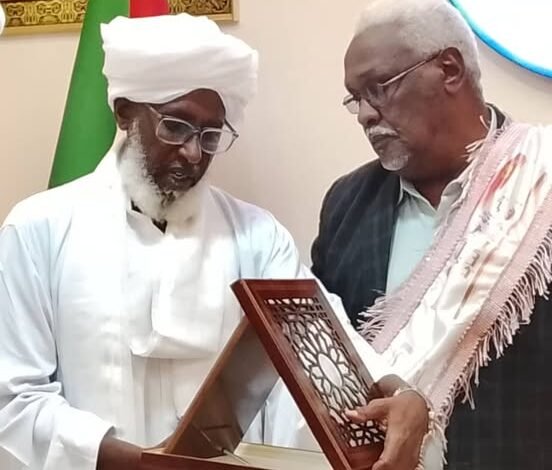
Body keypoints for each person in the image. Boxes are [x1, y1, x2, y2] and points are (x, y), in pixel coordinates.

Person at [0, 13, 435, 470]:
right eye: (175, 126)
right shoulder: (39, 231)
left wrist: (398, 390)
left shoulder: (256, 236)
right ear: (125, 112)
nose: (193, 153)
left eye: (210, 136)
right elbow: (13, 397)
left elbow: (318, 338)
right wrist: (139, 463)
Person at [312, 0, 552, 468]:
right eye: (355, 98)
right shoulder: (345, 204)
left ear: (449, 70)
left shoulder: (540, 183)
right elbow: (328, 358)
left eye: (378, 88)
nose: (364, 114)